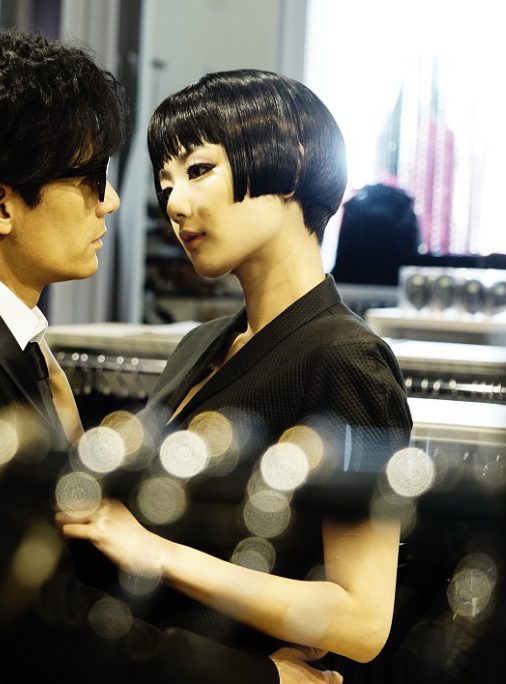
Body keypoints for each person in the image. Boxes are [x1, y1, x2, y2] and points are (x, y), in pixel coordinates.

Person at [0, 31, 338, 684]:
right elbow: (38, 625)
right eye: (90, 178)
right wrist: (261, 679)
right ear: (0, 206)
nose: (112, 201)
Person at [58, 70, 413, 667]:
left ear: (292, 165)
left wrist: (156, 553)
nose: (175, 204)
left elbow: (362, 620)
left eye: (198, 170)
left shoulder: (345, 359)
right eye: (166, 183)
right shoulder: (201, 344)